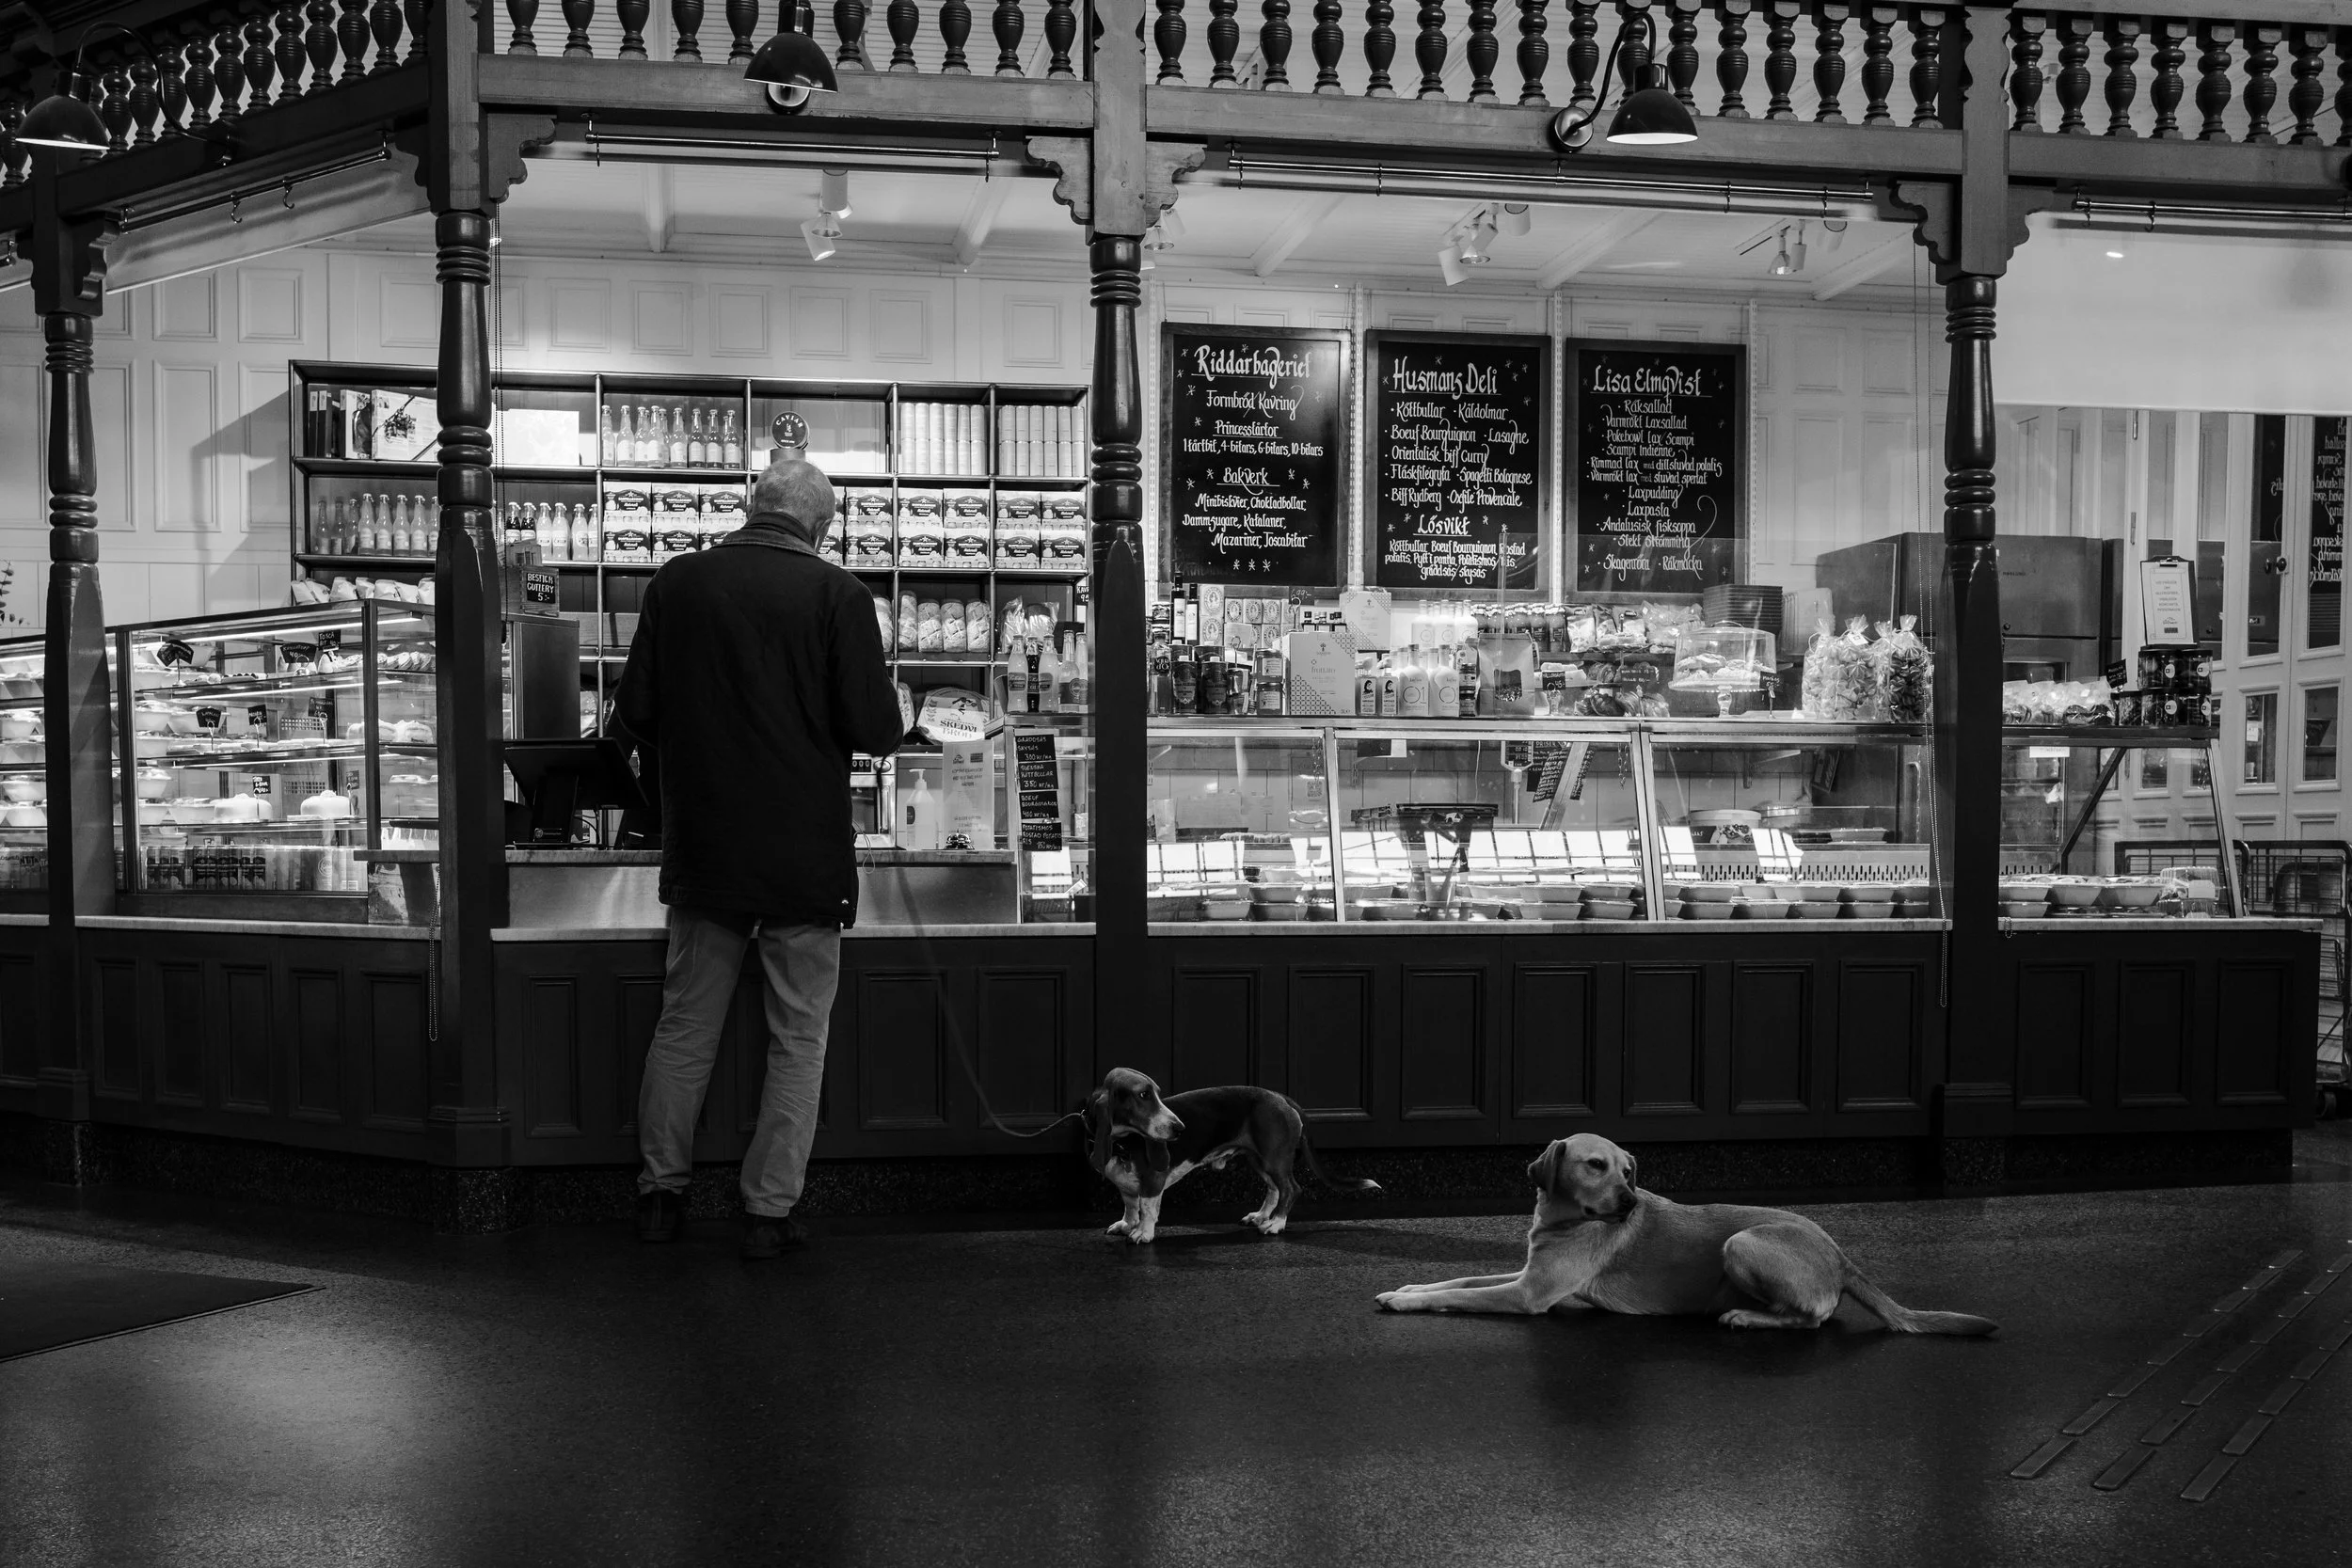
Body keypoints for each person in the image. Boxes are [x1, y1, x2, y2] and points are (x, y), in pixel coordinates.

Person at [613, 459, 905, 1258]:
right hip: (803, 860)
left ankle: (659, 1199)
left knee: (685, 1027)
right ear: (820, 527)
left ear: (754, 508)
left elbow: (633, 713)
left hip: (706, 848)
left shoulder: (678, 583)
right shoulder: (840, 595)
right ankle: (767, 1215)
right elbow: (878, 731)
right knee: (798, 1038)